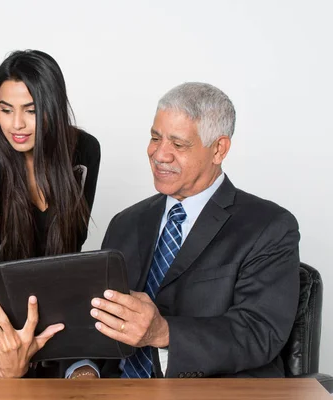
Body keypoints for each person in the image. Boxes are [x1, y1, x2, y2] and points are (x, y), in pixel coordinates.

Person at [91, 82, 300, 378]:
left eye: (178, 144)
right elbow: (95, 318)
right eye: (155, 138)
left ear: (218, 149)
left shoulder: (269, 227)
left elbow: (258, 332)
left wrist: (164, 332)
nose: (159, 154)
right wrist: (82, 370)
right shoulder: (125, 222)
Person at [0, 50, 101, 379]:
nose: (16, 124)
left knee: (88, 372)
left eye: (31, 111)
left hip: (58, 303)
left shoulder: (85, 151)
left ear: (54, 108)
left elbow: (71, 246)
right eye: (6, 110)